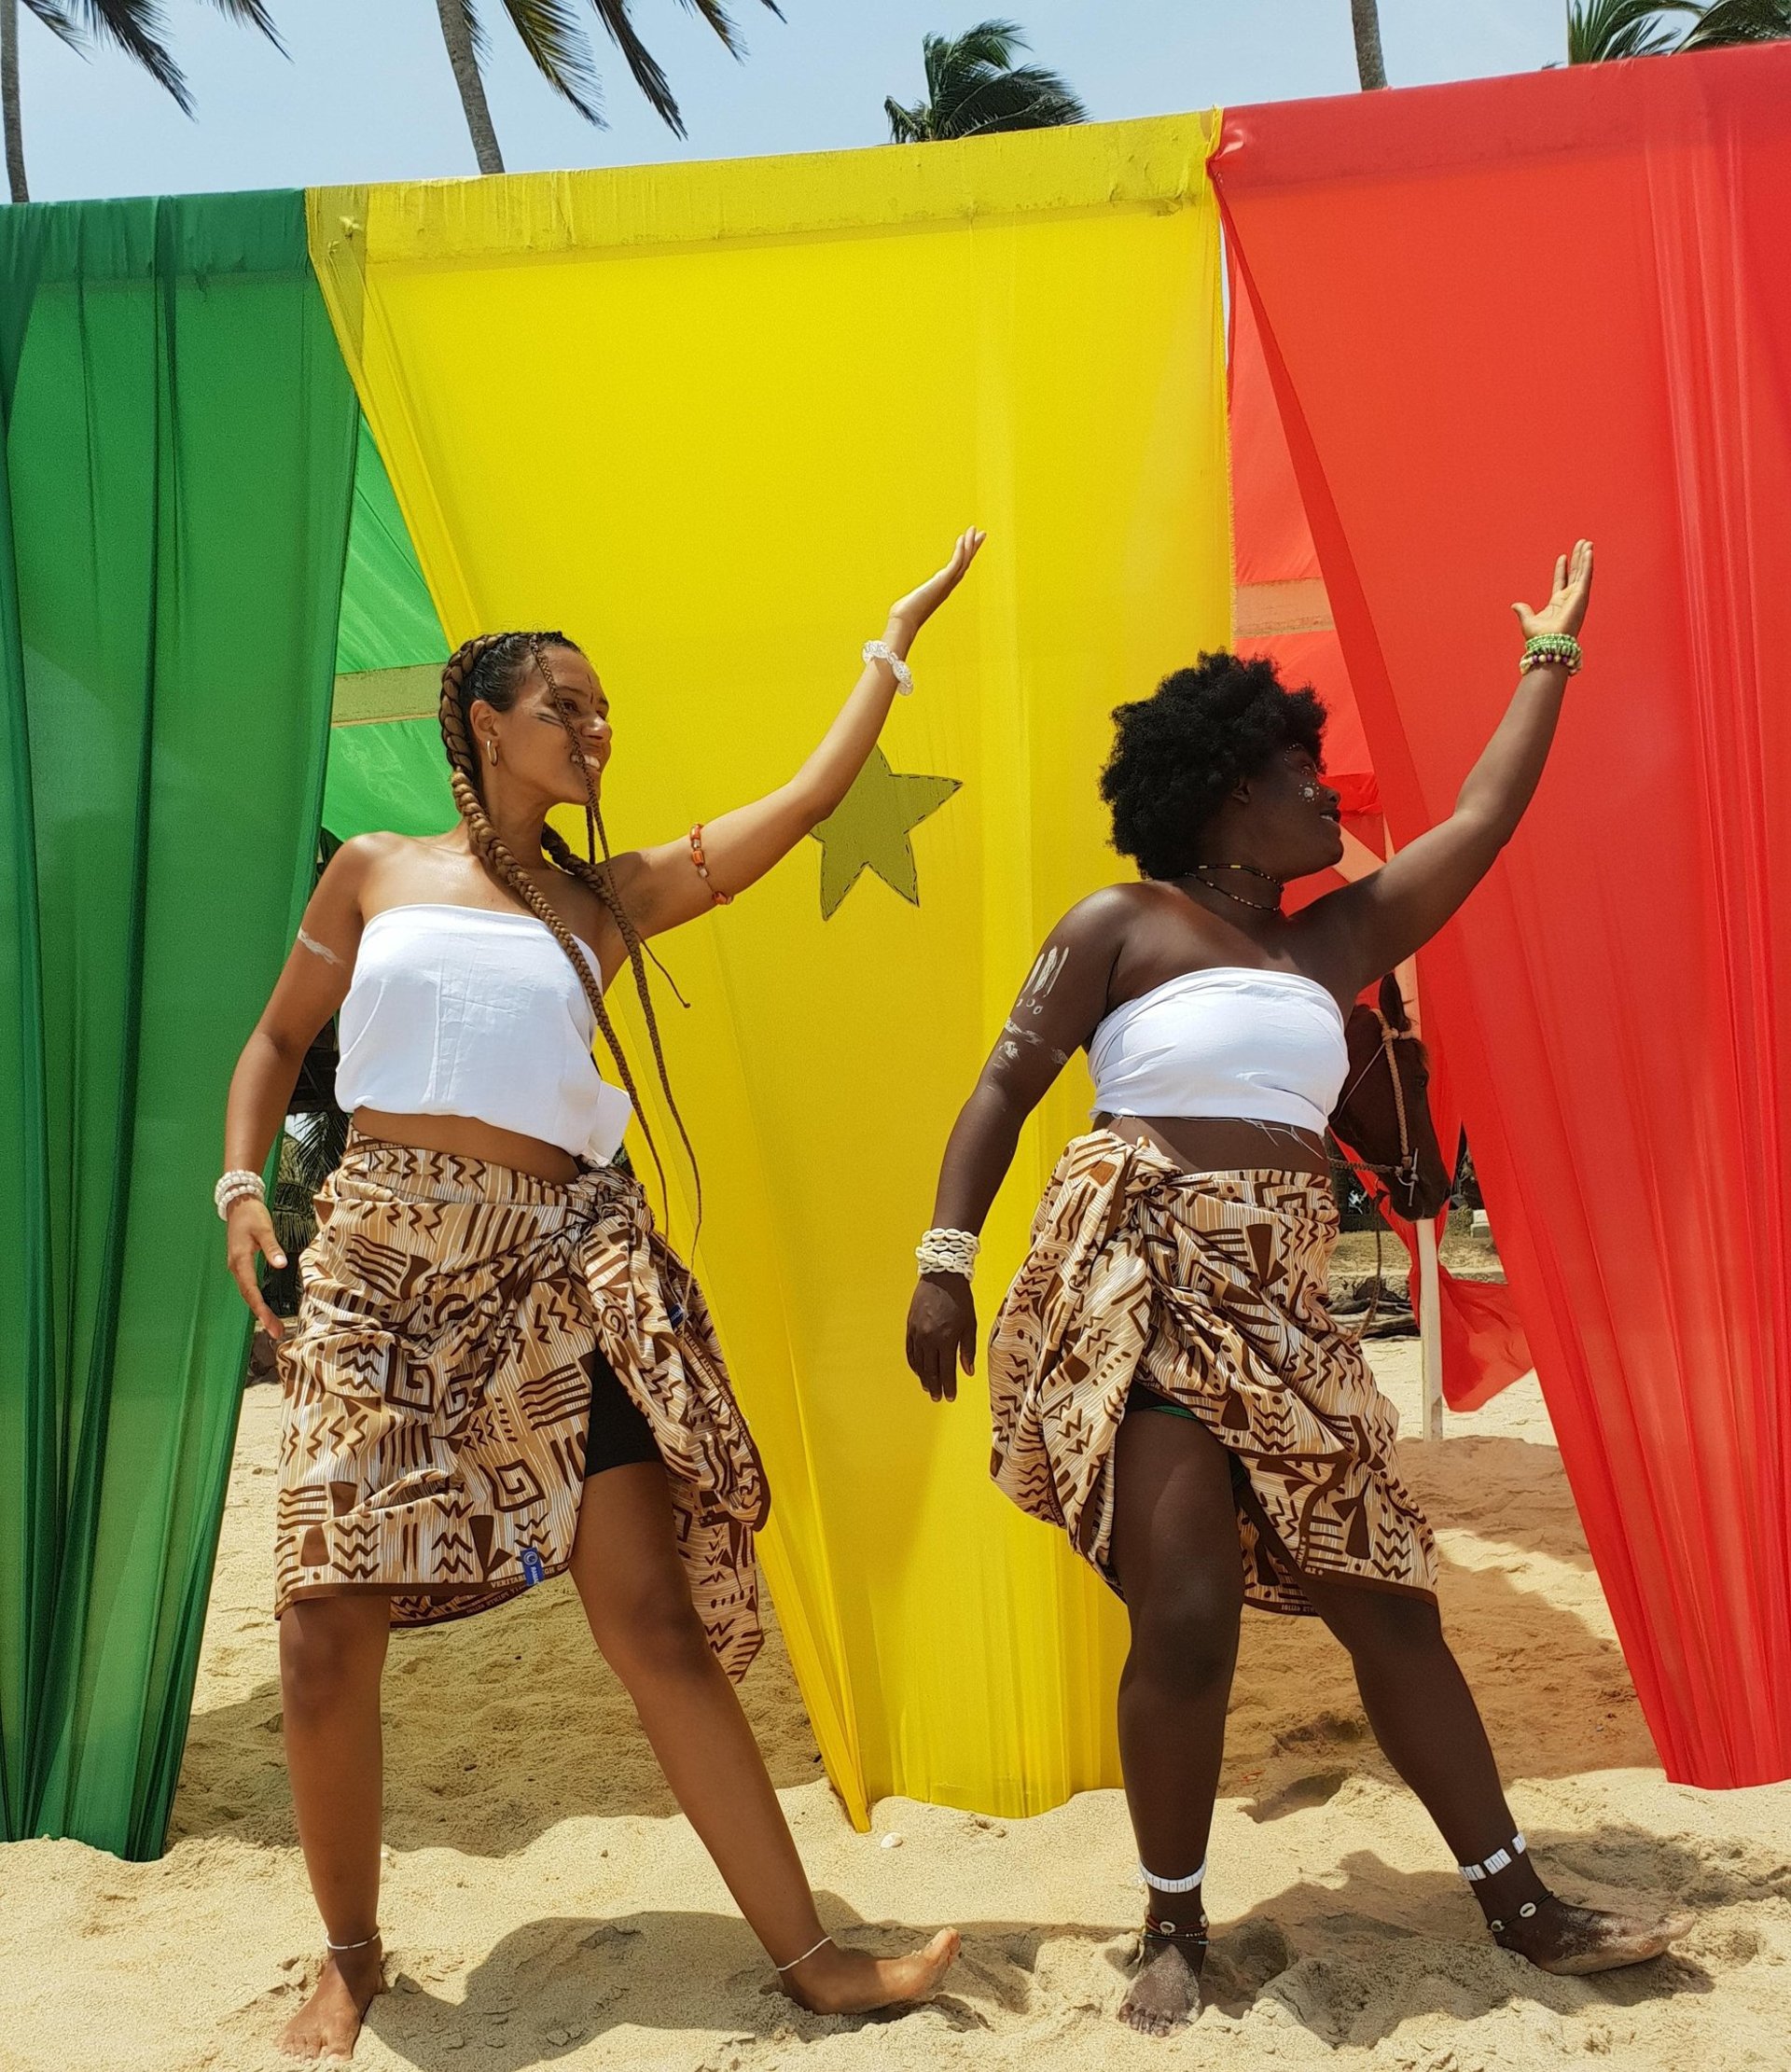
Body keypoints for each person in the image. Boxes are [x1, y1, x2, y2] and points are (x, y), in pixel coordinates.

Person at [906, 543, 1691, 2035]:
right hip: (1138, 1271)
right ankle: (1174, 1921)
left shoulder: (1335, 940)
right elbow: (1004, 1089)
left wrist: (1550, 658)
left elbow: (1482, 816)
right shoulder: (1119, 926)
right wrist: (944, 1261)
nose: (1328, 793)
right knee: (1186, 1607)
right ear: (1222, 797)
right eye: (1300, 772)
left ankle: (1519, 1897)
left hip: (1281, 1296)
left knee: (1389, 1599)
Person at [221, 528, 984, 2060]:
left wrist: (886, 652)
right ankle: (353, 1957)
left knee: (649, 1621)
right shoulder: (374, 875)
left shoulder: (606, 902)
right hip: (377, 1261)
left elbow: (802, 809)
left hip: (559, 1269)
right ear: (488, 722)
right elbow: (270, 1044)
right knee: (320, 1626)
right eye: (568, 703)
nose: (595, 726)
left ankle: (817, 1955)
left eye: (604, 707)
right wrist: (244, 1183)